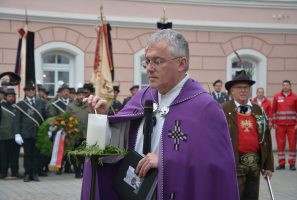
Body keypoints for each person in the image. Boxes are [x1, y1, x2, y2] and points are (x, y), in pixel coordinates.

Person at [81, 29, 239, 200]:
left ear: (181, 63)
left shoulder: (205, 107)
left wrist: (166, 161)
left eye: (157, 61)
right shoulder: (142, 97)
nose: (149, 68)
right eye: (147, 61)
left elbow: (216, 169)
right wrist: (103, 120)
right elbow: (121, 147)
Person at [222, 70, 274, 200]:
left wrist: (268, 165)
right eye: (238, 87)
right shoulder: (223, 109)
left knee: (252, 197)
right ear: (231, 91)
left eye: (246, 87)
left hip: (255, 165)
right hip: (234, 164)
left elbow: (266, 137)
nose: (243, 90)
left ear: (250, 90)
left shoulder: (258, 109)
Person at [14, 81, 49, 182]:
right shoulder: (21, 104)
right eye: (28, 90)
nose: (31, 91)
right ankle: (27, 174)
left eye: (33, 90)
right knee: (28, 154)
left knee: (36, 154)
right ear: (25, 91)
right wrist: (17, 133)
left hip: (38, 133)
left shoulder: (40, 102)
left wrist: (49, 128)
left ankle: (34, 173)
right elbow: (17, 121)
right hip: (27, 133)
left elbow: (46, 117)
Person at [271, 80, 297, 171]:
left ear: (290, 86)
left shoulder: (296, 97)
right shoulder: (277, 96)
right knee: (280, 144)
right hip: (280, 125)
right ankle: (281, 163)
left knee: (292, 144)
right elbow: (273, 111)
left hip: (292, 125)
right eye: (284, 85)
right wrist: (274, 123)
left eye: (287, 85)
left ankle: (292, 164)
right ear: (282, 86)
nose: (285, 86)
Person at [66, 87, 89, 178]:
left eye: (83, 95)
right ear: (76, 96)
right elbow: (66, 119)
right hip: (75, 135)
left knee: (85, 155)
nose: (81, 96)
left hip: (86, 134)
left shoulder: (89, 105)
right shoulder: (71, 106)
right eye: (79, 95)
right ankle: (77, 172)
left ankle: (84, 172)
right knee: (76, 154)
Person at [0, 88, 20, 179]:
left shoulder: (17, 107)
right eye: (9, 96)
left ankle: (15, 173)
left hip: (15, 136)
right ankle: (3, 173)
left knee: (14, 156)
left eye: (13, 96)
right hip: (3, 135)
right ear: (5, 97)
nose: (11, 98)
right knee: (3, 156)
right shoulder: (1, 106)